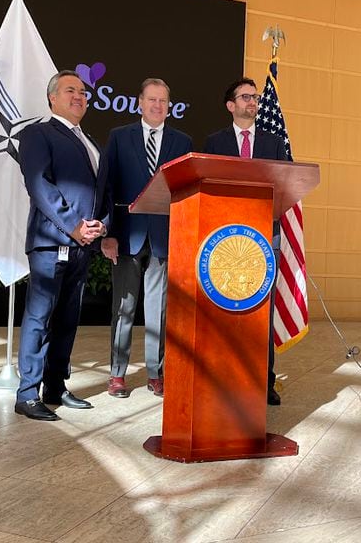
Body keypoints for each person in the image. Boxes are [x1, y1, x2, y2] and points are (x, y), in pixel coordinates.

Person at [14, 70, 110, 421]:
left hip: (83, 245)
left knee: (68, 319)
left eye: (83, 92)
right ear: (52, 97)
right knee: (40, 318)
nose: (79, 96)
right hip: (50, 242)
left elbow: (103, 194)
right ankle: (27, 394)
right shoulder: (37, 133)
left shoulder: (91, 142)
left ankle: (55, 387)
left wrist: (102, 225)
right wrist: (72, 226)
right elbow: (38, 184)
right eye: (71, 90)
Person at [100, 78, 193, 398]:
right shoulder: (118, 137)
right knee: (123, 309)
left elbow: (185, 191)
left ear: (170, 106)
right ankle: (117, 374)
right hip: (125, 237)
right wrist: (107, 233)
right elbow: (107, 188)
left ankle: (156, 373)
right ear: (139, 102)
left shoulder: (182, 142)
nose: (157, 106)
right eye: (152, 100)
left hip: (164, 239)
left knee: (158, 310)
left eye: (163, 101)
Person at [203, 77, 289, 406]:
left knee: (260, 314)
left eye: (255, 97)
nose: (252, 102)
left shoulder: (273, 143)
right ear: (231, 105)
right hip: (224, 239)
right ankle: (223, 378)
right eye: (245, 97)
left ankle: (263, 382)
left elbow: (284, 185)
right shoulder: (214, 142)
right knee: (226, 311)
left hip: (264, 237)